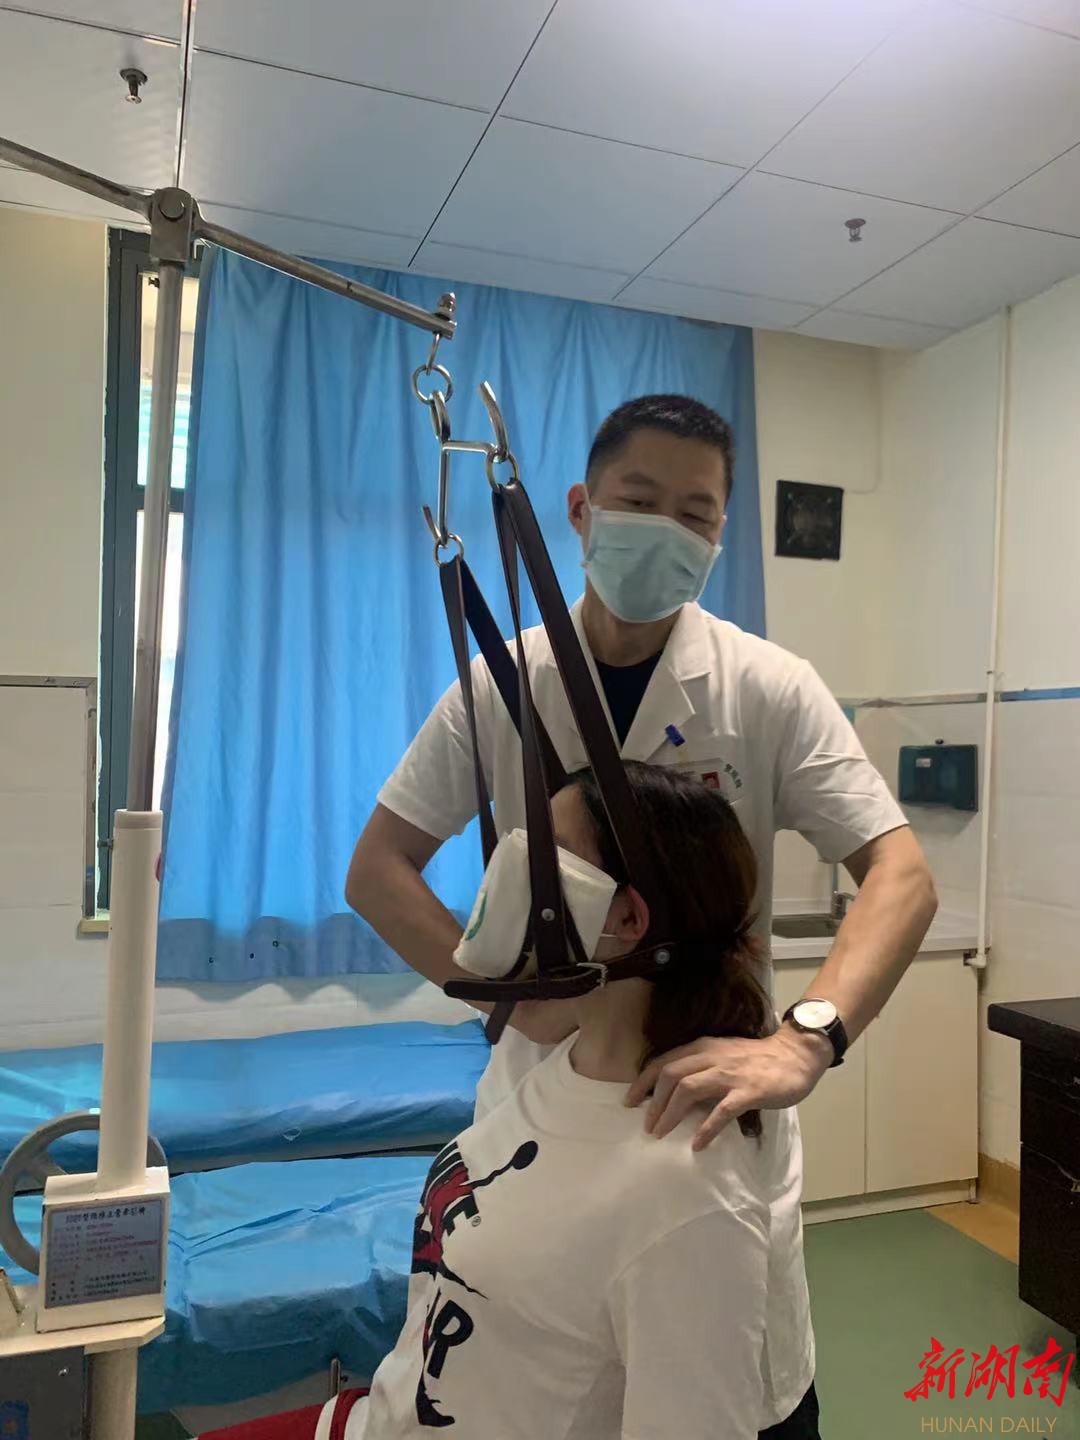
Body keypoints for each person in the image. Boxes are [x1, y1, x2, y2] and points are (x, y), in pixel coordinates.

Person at [347, 392, 937, 1144]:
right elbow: (378, 870)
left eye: (694, 515)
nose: (665, 530)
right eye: (638, 501)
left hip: (712, 1087)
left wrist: (805, 1042)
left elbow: (902, 875)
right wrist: (508, 1002)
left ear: (718, 535)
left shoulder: (768, 687)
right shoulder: (503, 683)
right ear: (581, 509)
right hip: (542, 1089)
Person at [202, 765, 817, 1440]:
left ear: (627, 917)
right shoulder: (556, 1077)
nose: (512, 870)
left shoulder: (687, 1192)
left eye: (548, 857)